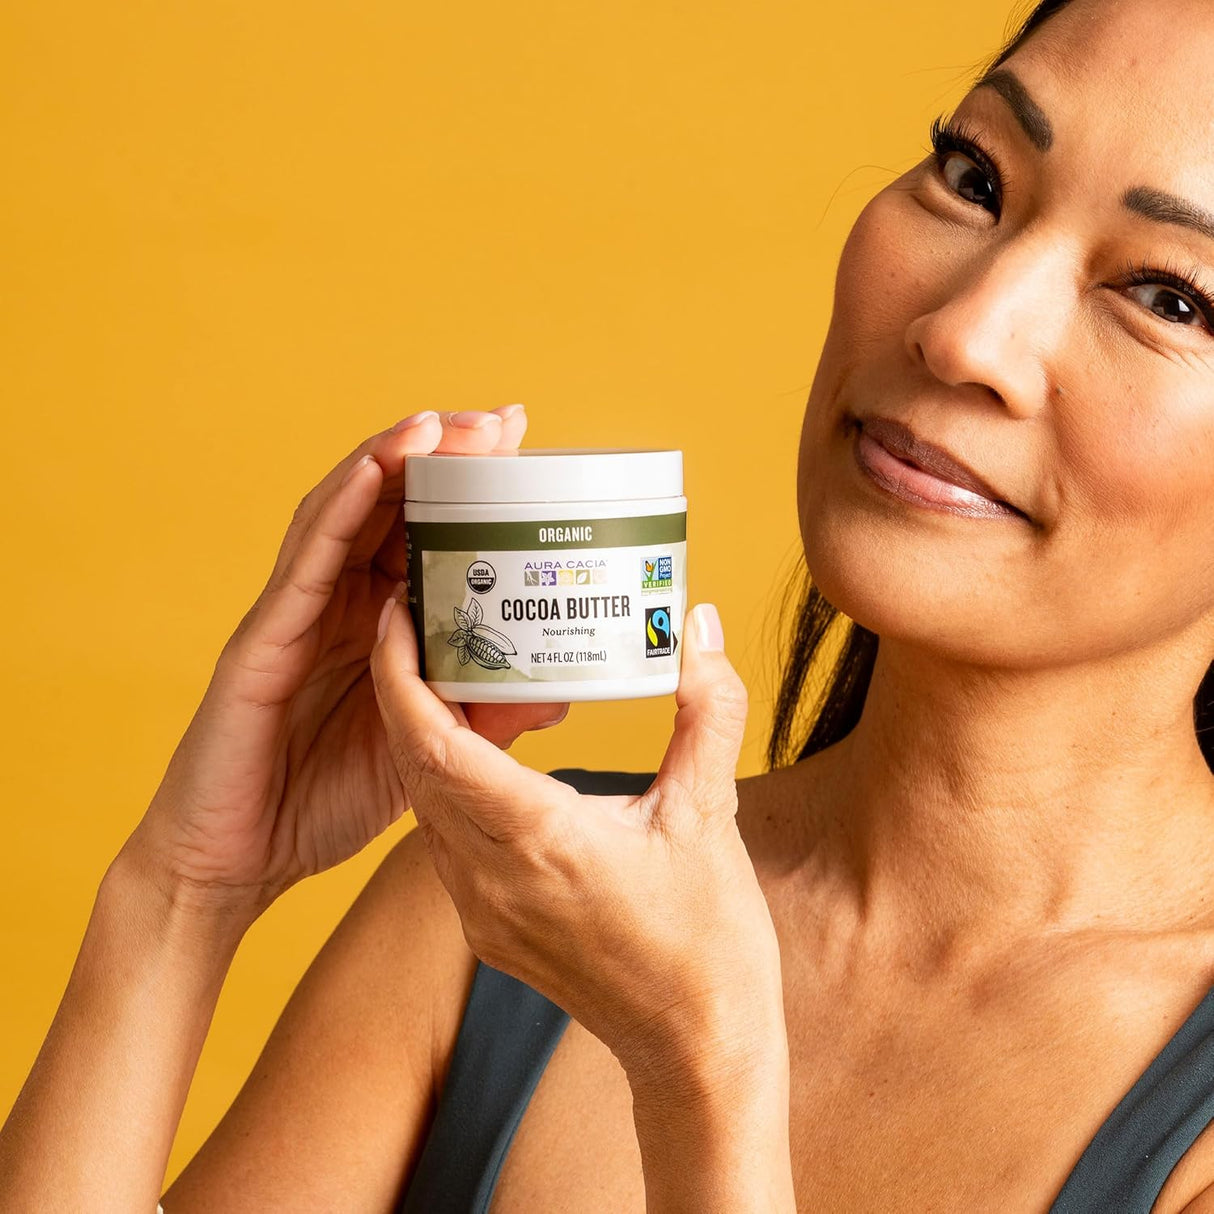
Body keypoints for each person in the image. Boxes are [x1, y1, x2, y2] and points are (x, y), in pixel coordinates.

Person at [6, 0, 1214, 1206]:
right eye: (971, 174)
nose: (963, 332)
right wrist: (186, 886)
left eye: (1169, 297)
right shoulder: (511, 905)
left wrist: (702, 1063)